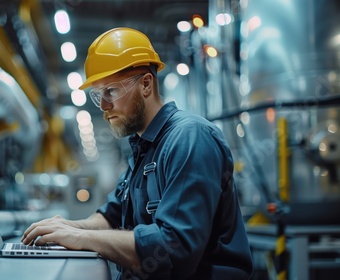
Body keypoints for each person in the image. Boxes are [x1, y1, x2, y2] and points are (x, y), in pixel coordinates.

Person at [22, 27, 253, 279]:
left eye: (111, 91)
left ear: (145, 84)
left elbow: (174, 249)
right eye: (98, 95)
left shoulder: (190, 138)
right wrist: (67, 227)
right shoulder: (143, 147)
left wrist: (81, 237)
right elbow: (111, 216)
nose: (103, 106)